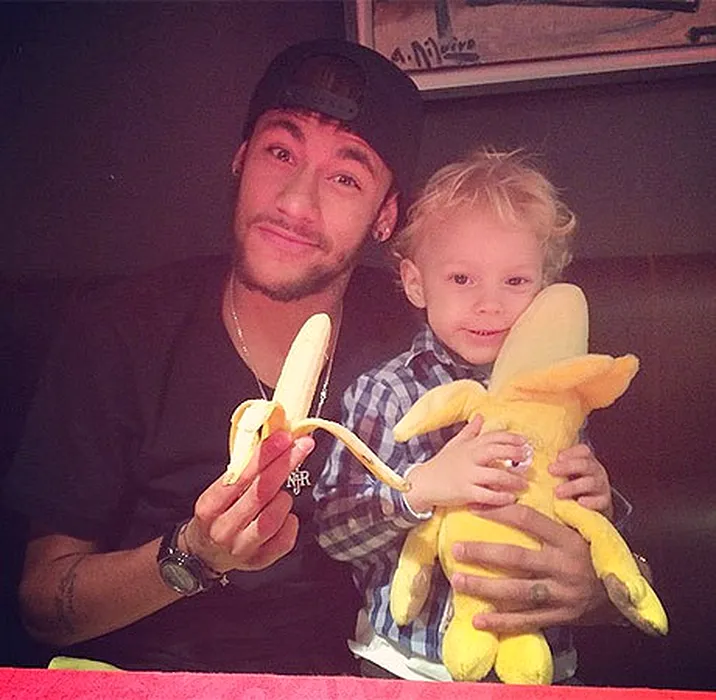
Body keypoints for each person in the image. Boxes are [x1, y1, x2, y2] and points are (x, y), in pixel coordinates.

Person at [3, 38, 425, 674]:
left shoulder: (414, 340)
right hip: (152, 676)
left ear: (385, 215)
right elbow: (42, 605)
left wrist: (574, 579)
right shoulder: (124, 328)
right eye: (280, 152)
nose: (295, 202)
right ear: (240, 158)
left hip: (348, 678)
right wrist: (193, 555)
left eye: (345, 177)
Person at [314, 148, 629, 683]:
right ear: (417, 283)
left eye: (515, 281)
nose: (490, 304)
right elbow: (333, 530)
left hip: (539, 665)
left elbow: (587, 531)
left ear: (545, 288)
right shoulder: (387, 391)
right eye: (462, 279)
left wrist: (602, 501)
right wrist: (418, 489)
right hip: (408, 664)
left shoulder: (560, 394)